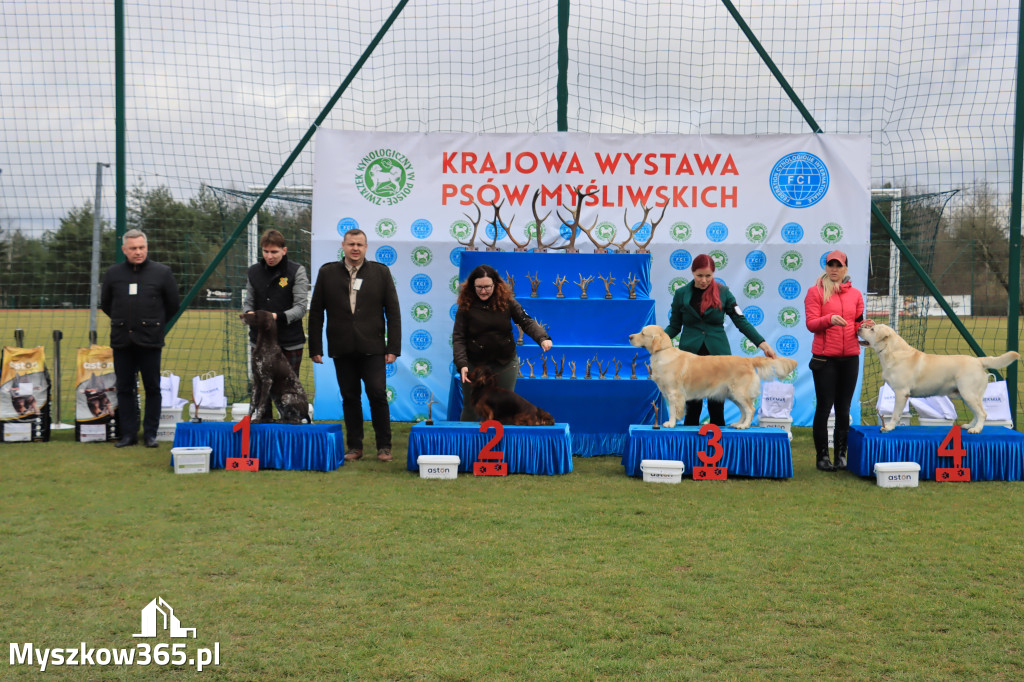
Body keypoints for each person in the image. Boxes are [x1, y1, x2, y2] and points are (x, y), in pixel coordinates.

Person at [308, 228, 400, 462]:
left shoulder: (381, 272)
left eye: (360, 244)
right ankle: (355, 447)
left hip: (374, 347)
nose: (355, 248)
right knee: (350, 397)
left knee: (377, 394)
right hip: (342, 347)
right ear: (343, 246)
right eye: (351, 244)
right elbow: (317, 312)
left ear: (366, 247)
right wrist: (316, 348)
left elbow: (393, 312)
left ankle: (384, 447)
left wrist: (393, 348)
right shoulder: (327, 272)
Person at [662, 253, 777, 427]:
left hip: (718, 354)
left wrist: (763, 344)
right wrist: (657, 341)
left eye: (708, 276)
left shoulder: (724, 293)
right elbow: (674, 326)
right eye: (699, 275)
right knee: (692, 405)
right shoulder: (681, 294)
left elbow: (740, 320)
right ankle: (689, 448)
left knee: (717, 406)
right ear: (692, 273)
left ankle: (721, 447)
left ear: (713, 274)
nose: (703, 280)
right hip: (690, 355)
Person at [100, 229, 180, 448]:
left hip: (150, 341)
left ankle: (151, 434)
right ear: (124, 250)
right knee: (125, 388)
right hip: (121, 341)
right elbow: (106, 303)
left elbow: (173, 304)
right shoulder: (113, 274)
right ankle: (128, 434)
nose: (138, 252)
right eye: (133, 248)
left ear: (147, 247)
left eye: (141, 247)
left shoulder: (162, 273)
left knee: (152, 388)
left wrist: (154, 325)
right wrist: (124, 323)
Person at [453, 264, 553, 422]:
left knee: (504, 409)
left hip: (504, 363)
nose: (483, 291)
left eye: (487, 286)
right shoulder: (465, 307)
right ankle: (468, 446)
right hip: (475, 366)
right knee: (471, 408)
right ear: (472, 286)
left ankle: (501, 446)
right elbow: (458, 337)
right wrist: (462, 364)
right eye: (479, 287)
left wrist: (542, 338)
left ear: (495, 285)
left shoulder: (508, 302)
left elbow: (526, 321)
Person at [804, 249, 873, 471]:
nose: (834, 269)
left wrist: (865, 328)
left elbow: (856, 324)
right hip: (825, 360)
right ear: (826, 267)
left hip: (850, 357)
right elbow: (811, 324)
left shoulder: (856, 295)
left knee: (844, 409)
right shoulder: (815, 292)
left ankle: (841, 456)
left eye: (838, 265)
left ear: (845, 268)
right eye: (830, 265)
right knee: (824, 408)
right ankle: (822, 457)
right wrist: (828, 319)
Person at [242, 229, 309, 417]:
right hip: (260, 342)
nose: (269, 256)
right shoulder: (254, 271)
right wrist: (249, 313)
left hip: (289, 342)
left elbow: (301, 307)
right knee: (260, 386)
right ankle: (260, 427)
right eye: (265, 251)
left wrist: (275, 317)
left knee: (287, 392)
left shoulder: (297, 271)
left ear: (284, 250)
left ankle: (292, 425)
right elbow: (249, 301)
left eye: (274, 252)